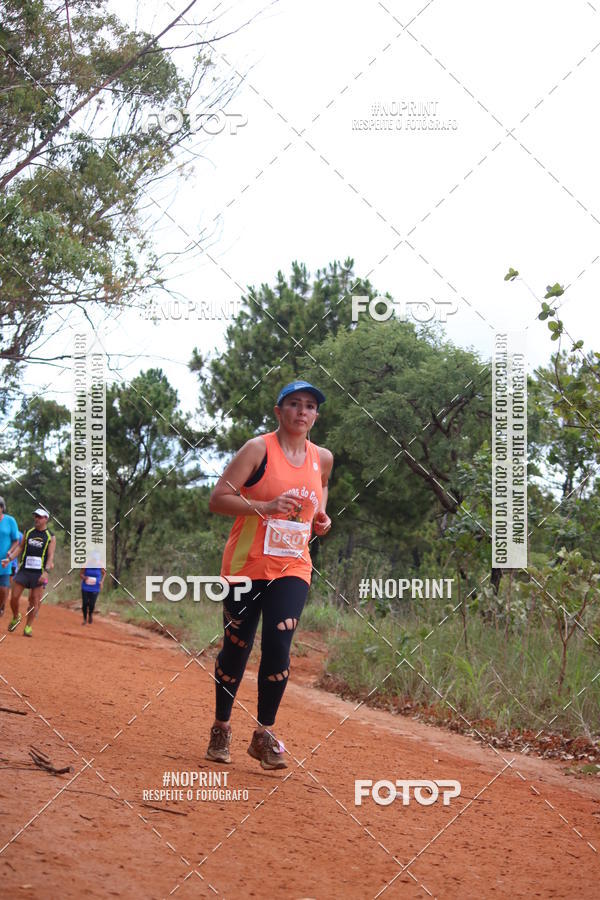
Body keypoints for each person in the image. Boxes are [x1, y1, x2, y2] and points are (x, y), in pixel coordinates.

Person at [206, 380, 333, 770]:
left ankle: (264, 734)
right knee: (237, 645)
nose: (302, 411)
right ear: (279, 411)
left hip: (294, 565)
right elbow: (218, 499)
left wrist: (321, 519)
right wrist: (266, 505)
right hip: (246, 564)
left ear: (315, 415)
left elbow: (321, 491)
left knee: (279, 643)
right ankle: (221, 727)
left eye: (310, 406)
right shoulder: (258, 449)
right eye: (294, 404)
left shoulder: (322, 457)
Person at [3, 508, 55, 637]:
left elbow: (50, 556)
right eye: (35, 516)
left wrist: (46, 572)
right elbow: (20, 547)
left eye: (40, 517)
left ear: (46, 519)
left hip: (38, 573)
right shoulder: (29, 532)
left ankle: (28, 627)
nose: (36, 519)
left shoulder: (50, 536)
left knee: (34, 601)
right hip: (24, 570)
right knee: (14, 597)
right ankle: (16, 616)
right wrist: (9, 559)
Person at [0, 497, 19, 618]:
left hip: (4, 560)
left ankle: (1, 605)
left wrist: (10, 552)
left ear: (1, 507)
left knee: (3, 588)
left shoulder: (10, 521)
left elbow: (16, 540)